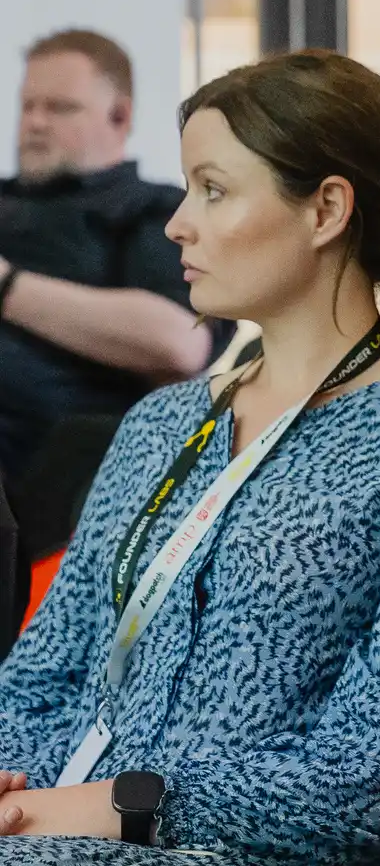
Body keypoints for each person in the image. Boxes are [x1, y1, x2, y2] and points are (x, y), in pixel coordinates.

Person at [0, 50, 380, 866]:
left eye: (213, 190)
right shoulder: (161, 424)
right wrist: (15, 789)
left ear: (326, 210)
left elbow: (378, 787)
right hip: (56, 833)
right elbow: (42, 672)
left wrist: (110, 808)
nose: (178, 223)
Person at [0, 31, 226, 523]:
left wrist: (7, 287)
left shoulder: (155, 211)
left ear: (119, 116)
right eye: (27, 105)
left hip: (51, 472)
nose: (34, 122)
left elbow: (179, 341)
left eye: (59, 107)